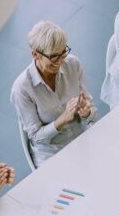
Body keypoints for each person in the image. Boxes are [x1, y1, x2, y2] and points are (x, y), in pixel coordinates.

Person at [11, 21, 98, 168]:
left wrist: (86, 113)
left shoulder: (73, 64)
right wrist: (62, 119)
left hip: (82, 139)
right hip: (51, 154)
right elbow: (37, 138)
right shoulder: (22, 89)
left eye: (63, 52)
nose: (60, 61)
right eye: (54, 57)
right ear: (35, 55)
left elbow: (92, 115)